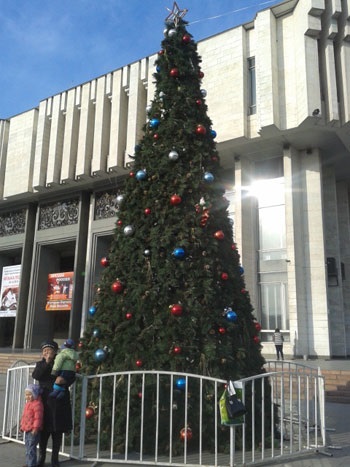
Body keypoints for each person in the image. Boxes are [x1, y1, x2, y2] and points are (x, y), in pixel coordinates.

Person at [32, 340, 73, 467]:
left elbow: (72, 375)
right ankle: (42, 458)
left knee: (57, 431)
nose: (46, 353)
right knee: (44, 432)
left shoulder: (63, 362)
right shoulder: (40, 364)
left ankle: (55, 459)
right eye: (44, 351)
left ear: (55, 352)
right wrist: (47, 362)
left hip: (59, 401)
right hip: (45, 402)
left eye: (49, 350)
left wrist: (65, 380)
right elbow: (36, 375)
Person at [20, 383, 44, 467]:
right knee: (28, 448)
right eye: (26, 395)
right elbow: (24, 416)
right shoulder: (28, 404)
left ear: (35, 394)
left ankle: (31, 464)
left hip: (33, 430)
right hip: (27, 429)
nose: (27, 397)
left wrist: (36, 428)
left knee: (31, 448)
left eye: (29, 394)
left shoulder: (37, 404)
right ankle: (28, 463)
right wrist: (22, 426)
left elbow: (38, 418)